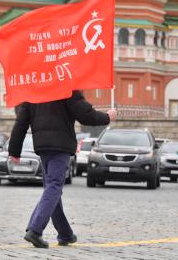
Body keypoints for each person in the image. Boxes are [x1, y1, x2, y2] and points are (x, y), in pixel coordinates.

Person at [8, 90, 117, 248]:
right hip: (60, 147)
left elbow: (21, 123)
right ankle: (35, 230)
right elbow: (85, 115)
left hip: (42, 147)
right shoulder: (66, 89)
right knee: (53, 187)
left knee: (52, 190)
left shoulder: (34, 91)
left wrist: (14, 150)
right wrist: (107, 117)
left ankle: (65, 234)